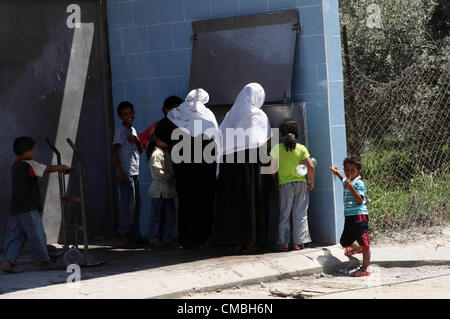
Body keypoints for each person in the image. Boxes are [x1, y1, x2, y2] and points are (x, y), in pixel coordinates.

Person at [154, 89, 219, 249]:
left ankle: (187, 239)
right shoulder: (207, 115)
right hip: (206, 169)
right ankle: (203, 238)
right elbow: (218, 140)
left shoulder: (175, 115)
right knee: (205, 203)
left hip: (183, 169)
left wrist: (172, 146)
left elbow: (159, 137)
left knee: (186, 203)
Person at [214, 83, 272, 253]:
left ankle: (236, 240)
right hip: (251, 166)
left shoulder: (230, 115)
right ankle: (252, 240)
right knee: (252, 201)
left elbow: (220, 139)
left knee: (234, 203)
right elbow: (265, 141)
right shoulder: (259, 115)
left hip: (230, 166)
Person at [1, 136, 70, 273]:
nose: (33, 152)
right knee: (37, 234)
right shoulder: (29, 164)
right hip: (28, 207)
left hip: (16, 208)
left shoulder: (15, 165)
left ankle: (8, 263)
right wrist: (60, 168)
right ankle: (44, 261)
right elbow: (45, 169)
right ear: (27, 152)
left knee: (15, 236)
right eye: (33, 150)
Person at [270, 119, 315, 252]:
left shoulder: (277, 149)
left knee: (285, 214)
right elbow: (311, 166)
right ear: (296, 133)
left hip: (284, 185)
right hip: (301, 184)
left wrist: (275, 179)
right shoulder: (301, 148)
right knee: (300, 213)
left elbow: (272, 170)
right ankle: (298, 243)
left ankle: (284, 243)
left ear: (281, 134)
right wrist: (311, 181)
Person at [330, 156, 371, 277]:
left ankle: (364, 269)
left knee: (365, 244)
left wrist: (351, 188)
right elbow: (343, 179)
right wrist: (337, 172)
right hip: (349, 216)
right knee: (344, 241)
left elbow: (359, 200)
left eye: (352, 170)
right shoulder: (349, 181)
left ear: (359, 171)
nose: (349, 173)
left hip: (359, 216)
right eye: (346, 170)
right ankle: (357, 249)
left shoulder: (359, 183)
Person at [112, 101, 144, 248]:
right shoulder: (120, 130)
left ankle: (135, 235)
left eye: (131, 113)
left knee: (136, 206)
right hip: (126, 173)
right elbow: (114, 150)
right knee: (128, 206)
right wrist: (120, 171)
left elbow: (141, 150)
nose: (129, 116)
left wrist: (137, 140)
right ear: (120, 116)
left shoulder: (133, 130)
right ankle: (125, 236)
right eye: (126, 114)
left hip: (134, 172)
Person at [147, 133, 177, 246]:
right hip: (159, 191)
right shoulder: (157, 154)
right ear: (156, 140)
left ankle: (165, 237)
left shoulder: (165, 152)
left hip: (167, 191)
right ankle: (154, 239)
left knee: (170, 214)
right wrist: (170, 178)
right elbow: (157, 172)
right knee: (156, 215)